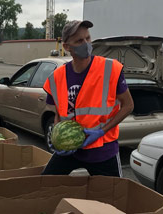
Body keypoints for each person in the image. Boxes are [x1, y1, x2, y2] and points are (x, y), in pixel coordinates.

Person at [42, 20, 134, 177]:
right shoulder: (56, 78)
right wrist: (57, 139)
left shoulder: (110, 69)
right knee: (45, 184)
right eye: (79, 40)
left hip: (102, 150)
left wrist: (101, 131)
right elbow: (58, 114)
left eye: (88, 38)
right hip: (70, 150)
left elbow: (128, 106)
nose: (86, 43)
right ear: (66, 47)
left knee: (112, 197)